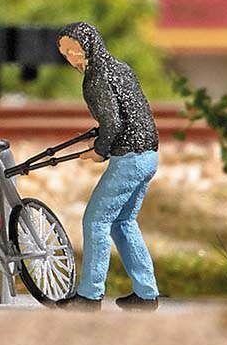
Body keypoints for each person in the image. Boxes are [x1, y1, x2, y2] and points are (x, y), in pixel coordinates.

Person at [55, 21, 160, 311]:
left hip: (129, 158)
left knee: (96, 221)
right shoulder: (120, 67)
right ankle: (146, 294)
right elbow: (131, 113)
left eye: (73, 50)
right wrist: (101, 138)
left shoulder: (95, 78)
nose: (70, 57)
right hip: (149, 156)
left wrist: (100, 151)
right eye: (64, 53)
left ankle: (90, 296)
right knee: (123, 223)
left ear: (89, 46)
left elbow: (113, 123)